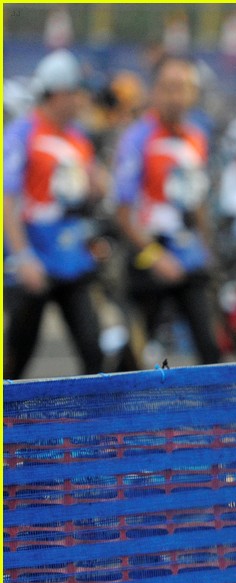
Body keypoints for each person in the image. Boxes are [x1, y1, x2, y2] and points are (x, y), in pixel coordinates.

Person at [4, 49, 108, 380]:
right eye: (77, 92)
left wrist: (98, 186)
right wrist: (23, 257)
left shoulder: (78, 138)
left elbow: (85, 194)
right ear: (59, 93)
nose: (82, 100)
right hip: (36, 261)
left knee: (93, 351)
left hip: (72, 261)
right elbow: (8, 200)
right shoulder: (23, 133)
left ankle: (93, 430)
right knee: (17, 358)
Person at [114, 53, 221, 366]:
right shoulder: (137, 138)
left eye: (183, 87)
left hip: (188, 255)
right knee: (133, 358)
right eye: (168, 87)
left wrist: (207, 247)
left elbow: (197, 200)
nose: (176, 96)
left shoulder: (196, 137)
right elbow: (122, 211)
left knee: (211, 350)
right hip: (148, 255)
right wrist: (156, 257)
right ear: (154, 91)